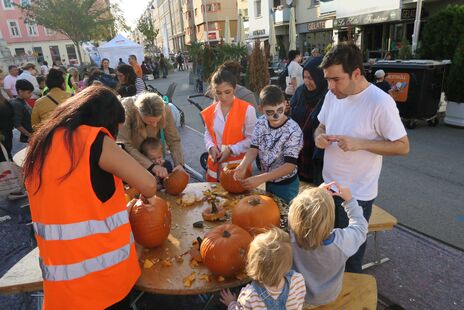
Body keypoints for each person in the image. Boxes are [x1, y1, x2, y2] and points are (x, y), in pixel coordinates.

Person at [23, 85, 157, 309]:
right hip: (103, 283)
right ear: (106, 121)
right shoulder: (93, 139)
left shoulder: (42, 142)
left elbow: (76, 198)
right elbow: (149, 185)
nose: (113, 137)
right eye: (115, 130)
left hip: (62, 287)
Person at [314, 42, 409, 273]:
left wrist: (360, 144)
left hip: (357, 196)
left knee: (350, 261)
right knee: (325, 252)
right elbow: (321, 126)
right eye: (327, 79)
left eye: (336, 79)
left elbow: (403, 146)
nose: (330, 86)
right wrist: (319, 137)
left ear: (356, 73)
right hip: (327, 188)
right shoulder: (331, 95)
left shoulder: (380, 102)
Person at [288, 184, 368, 306]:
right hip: (329, 296)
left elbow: (294, 218)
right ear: (331, 217)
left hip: (296, 295)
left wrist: (315, 194)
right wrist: (350, 201)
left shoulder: (289, 237)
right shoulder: (342, 242)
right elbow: (361, 228)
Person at [234, 85, 303, 204]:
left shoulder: (293, 130)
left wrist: (261, 178)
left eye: (280, 110)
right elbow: (254, 148)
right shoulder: (260, 123)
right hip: (268, 180)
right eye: (270, 112)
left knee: (285, 216)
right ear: (261, 109)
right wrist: (243, 165)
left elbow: (290, 165)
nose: (276, 116)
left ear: (285, 104)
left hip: (286, 185)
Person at [220, 228, 306, 310]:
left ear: (252, 264)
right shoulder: (297, 281)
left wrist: (231, 303)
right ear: (288, 264)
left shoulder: (250, 296)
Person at [201, 67, 257, 182]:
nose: (223, 97)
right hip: (215, 171)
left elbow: (253, 139)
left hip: (237, 170)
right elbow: (208, 133)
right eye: (218, 93)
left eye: (227, 92)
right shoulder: (210, 112)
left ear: (234, 89)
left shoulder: (247, 110)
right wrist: (210, 147)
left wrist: (231, 150)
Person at [118, 92, 185, 179]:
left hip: (151, 153)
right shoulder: (127, 109)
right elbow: (124, 144)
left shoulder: (166, 109)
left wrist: (179, 164)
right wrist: (151, 166)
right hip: (131, 157)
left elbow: (173, 140)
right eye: (150, 122)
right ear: (139, 114)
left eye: (157, 121)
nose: (154, 125)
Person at [290, 56, 328, 185]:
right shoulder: (300, 92)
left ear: (320, 77)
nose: (306, 81)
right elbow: (291, 113)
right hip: (297, 151)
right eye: (305, 77)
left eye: (310, 78)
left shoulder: (329, 96)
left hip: (315, 154)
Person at [0, 72, 14, 158]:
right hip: (2, 133)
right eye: (0, 79)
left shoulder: (2, 92)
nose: (2, 81)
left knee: (7, 153)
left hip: (7, 130)